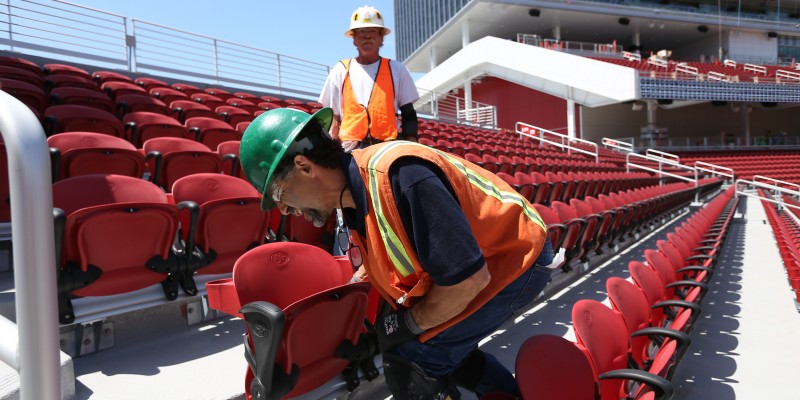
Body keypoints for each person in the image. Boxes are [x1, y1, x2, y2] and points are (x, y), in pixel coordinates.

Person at [239, 107, 555, 399]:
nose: (284, 210)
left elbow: (468, 281)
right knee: (439, 343)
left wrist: (405, 327)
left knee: (413, 359)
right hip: (480, 263)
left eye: (279, 195)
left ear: (304, 167)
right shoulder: (352, 197)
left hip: (517, 257)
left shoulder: (401, 176)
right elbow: (378, 261)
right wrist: (362, 325)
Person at [318, 5, 420, 153]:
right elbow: (334, 117)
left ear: (381, 38)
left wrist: (412, 144)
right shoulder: (340, 70)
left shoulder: (397, 69)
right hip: (350, 152)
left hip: (388, 149)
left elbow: (408, 112)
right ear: (354, 39)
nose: (367, 36)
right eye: (361, 32)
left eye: (372, 31)